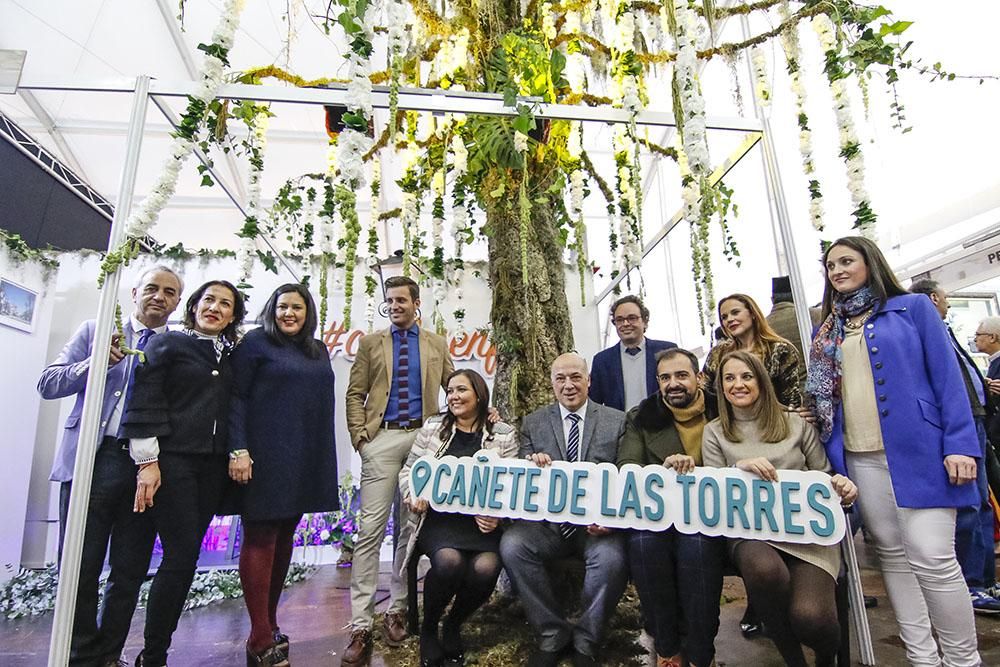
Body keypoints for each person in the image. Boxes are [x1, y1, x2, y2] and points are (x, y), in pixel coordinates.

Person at [806, 236, 982, 666]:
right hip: (859, 456)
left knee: (933, 556)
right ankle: (923, 658)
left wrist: (960, 444)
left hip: (924, 453)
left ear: (871, 262)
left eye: (847, 261)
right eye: (831, 265)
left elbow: (947, 378)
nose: (838, 270)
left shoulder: (913, 308)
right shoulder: (827, 328)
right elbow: (828, 395)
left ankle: (963, 660)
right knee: (893, 560)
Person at [37, 265, 183, 667]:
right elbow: (49, 383)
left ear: (177, 302)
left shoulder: (175, 348)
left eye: (169, 292)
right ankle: (80, 653)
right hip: (91, 461)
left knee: (130, 568)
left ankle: (107, 654)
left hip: (145, 468)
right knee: (80, 565)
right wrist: (94, 362)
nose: (159, 296)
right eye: (151, 288)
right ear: (134, 292)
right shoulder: (95, 330)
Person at [703, 351, 857, 667]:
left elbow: (824, 476)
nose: (738, 384)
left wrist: (842, 488)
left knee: (812, 619)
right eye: (729, 378)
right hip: (750, 531)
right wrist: (738, 467)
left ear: (761, 380)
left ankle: (826, 659)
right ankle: (794, 660)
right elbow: (714, 489)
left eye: (746, 376)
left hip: (807, 534)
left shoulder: (796, 424)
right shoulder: (715, 432)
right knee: (764, 571)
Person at [121, 279, 246, 667]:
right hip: (171, 463)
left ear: (232, 316)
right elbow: (145, 398)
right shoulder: (168, 344)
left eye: (225, 304)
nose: (216, 308)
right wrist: (147, 461)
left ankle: (154, 651)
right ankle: (154, 653)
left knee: (183, 558)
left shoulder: (230, 356)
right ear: (194, 306)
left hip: (211, 468)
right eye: (209, 299)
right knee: (181, 557)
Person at [342, 276, 454, 666]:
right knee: (370, 530)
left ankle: (397, 609)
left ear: (416, 302)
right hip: (382, 441)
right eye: (389, 301)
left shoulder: (436, 343)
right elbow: (355, 393)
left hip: (422, 443)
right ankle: (359, 623)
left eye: (402, 300)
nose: (395, 306)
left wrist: (480, 407)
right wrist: (361, 437)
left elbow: (454, 388)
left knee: (409, 529)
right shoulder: (371, 343)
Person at [228, 284, 340, 666]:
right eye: (282, 306)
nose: (289, 313)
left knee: (285, 535)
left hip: (303, 455)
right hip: (262, 455)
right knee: (261, 535)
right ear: (271, 309)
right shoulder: (255, 344)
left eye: (297, 307)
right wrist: (238, 449)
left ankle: (270, 622)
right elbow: (236, 398)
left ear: (308, 312)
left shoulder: (317, 349)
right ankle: (259, 637)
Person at [500, 353, 627, 667]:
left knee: (612, 558)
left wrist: (610, 520)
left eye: (575, 377)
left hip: (597, 529)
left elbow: (627, 477)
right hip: (549, 527)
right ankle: (551, 633)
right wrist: (532, 465)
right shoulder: (533, 422)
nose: (569, 385)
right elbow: (523, 478)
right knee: (513, 545)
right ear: (552, 383)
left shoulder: (617, 420)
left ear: (588, 381)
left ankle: (586, 640)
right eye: (561, 378)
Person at [398, 369, 519, 667]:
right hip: (439, 521)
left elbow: (513, 485)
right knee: (449, 562)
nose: (453, 396)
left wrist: (498, 517)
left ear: (479, 394)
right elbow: (409, 470)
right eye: (450, 391)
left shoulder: (503, 434)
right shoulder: (433, 427)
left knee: (486, 568)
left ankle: (453, 624)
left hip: (480, 524)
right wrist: (414, 493)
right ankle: (429, 629)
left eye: (461, 390)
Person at [617, 348, 725, 667]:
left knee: (699, 550)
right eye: (665, 378)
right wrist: (663, 471)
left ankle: (701, 651)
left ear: (699, 378)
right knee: (642, 544)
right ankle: (666, 646)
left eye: (681, 375)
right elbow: (628, 465)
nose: (673, 384)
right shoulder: (641, 416)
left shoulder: (724, 410)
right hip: (660, 514)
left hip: (711, 515)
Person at [910, 278, 1000, 613]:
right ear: (933, 298)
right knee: (969, 504)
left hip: (976, 420)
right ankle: (973, 583)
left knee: (982, 502)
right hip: (962, 426)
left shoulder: (943, 329)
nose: (947, 303)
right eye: (945, 298)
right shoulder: (925, 332)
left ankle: (985, 579)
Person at [703, 293, 804, 408]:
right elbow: (705, 392)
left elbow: (792, 400)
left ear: (752, 314)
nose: (729, 319)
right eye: (724, 317)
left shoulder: (779, 351)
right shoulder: (717, 354)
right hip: (730, 422)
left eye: (735, 312)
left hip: (774, 421)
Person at [590, 295, 676, 412]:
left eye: (632, 318)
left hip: (663, 425)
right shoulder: (602, 361)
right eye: (619, 320)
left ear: (645, 322)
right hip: (621, 428)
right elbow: (594, 405)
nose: (625, 323)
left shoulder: (667, 351)